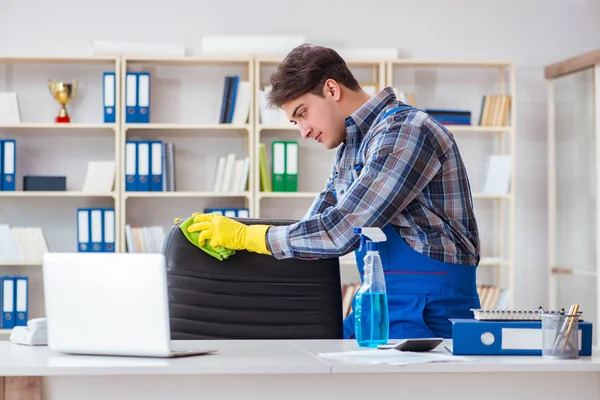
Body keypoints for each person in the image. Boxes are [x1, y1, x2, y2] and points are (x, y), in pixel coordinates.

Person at [186, 43, 481, 340]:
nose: (303, 131)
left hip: (430, 310)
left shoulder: (406, 130)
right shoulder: (350, 149)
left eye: (303, 113)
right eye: (294, 121)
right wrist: (236, 244)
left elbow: (341, 230)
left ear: (331, 89)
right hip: (382, 303)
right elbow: (313, 232)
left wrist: (249, 236)